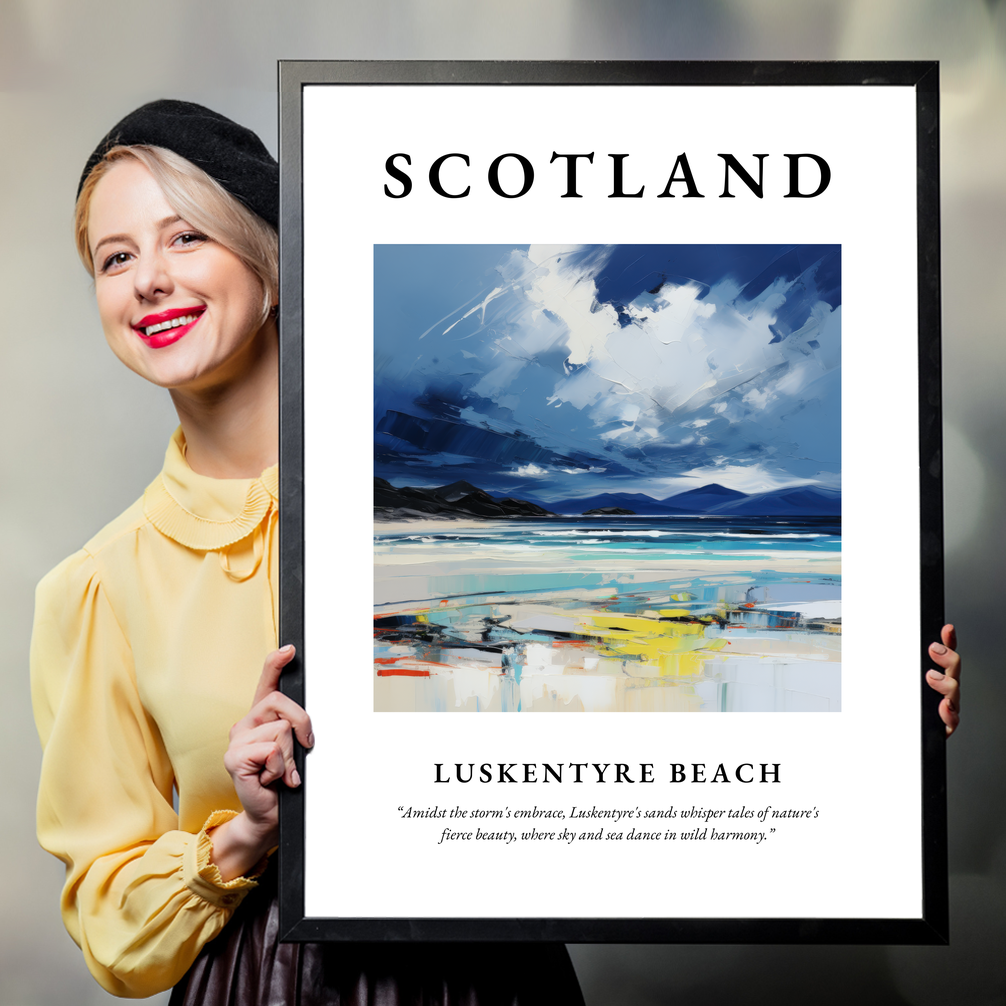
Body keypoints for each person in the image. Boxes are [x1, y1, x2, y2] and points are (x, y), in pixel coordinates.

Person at [30, 100, 585, 1004]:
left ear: (273, 264)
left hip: (492, 973)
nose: (148, 281)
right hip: (263, 981)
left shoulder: (450, 512)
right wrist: (245, 832)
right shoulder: (97, 587)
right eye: (116, 257)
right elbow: (110, 924)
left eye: (186, 239)